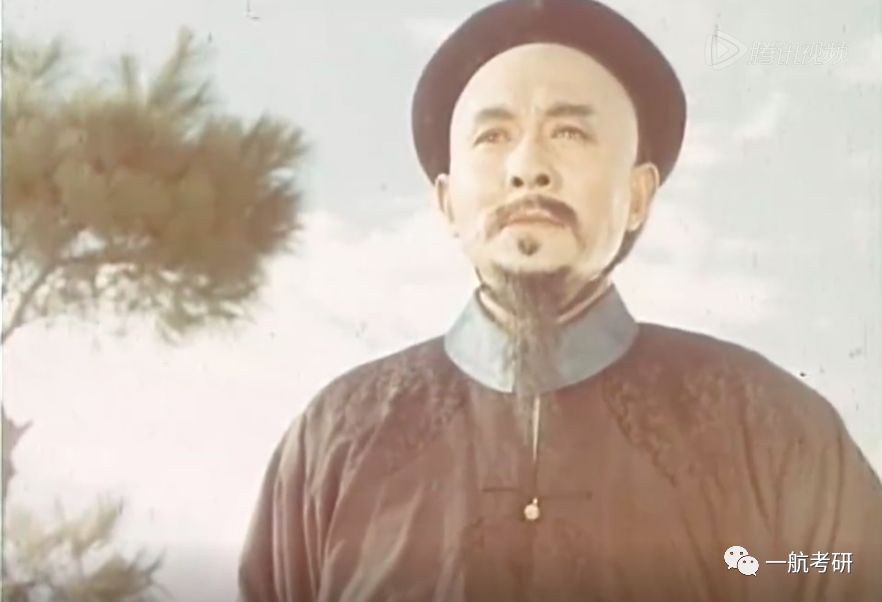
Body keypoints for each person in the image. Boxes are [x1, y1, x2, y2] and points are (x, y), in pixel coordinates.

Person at [238, 1, 882, 600]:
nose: (528, 167)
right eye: (493, 137)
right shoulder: (338, 440)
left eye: (570, 132)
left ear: (638, 196)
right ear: (447, 202)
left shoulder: (771, 428)